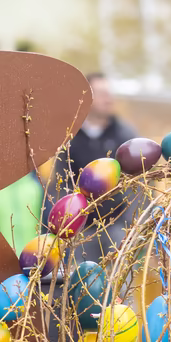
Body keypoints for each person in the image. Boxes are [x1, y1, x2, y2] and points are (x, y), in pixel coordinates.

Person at [48, 72, 140, 262]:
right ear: (86, 99)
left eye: (109, 92)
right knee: (80, 284)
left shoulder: (124, 134)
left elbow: (138, 182)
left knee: (118, 287)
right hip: (81, 230)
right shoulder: (69, 136)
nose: (108, 98)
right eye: (101, 93)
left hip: (117, 228)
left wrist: (131, 225)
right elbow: (61, 182)